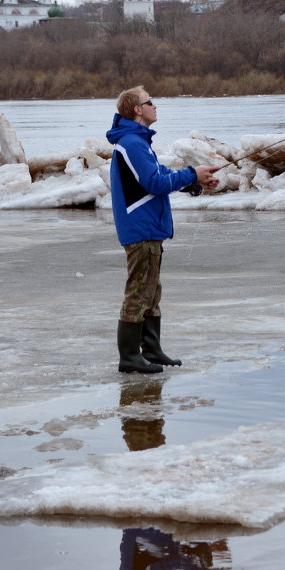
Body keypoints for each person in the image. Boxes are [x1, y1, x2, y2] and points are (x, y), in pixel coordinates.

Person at [107, 86, 220, 374]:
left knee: (151, 291)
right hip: (140, 227)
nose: (155, 106)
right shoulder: (131, 143)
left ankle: (152, 349)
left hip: (150, 228)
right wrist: (192, 173)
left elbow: (161, 175)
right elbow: (154, 183)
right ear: (137, 110)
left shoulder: (139, 142)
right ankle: (130, 356)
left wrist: (193, 180)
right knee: (138, 291)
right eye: (150, 102)